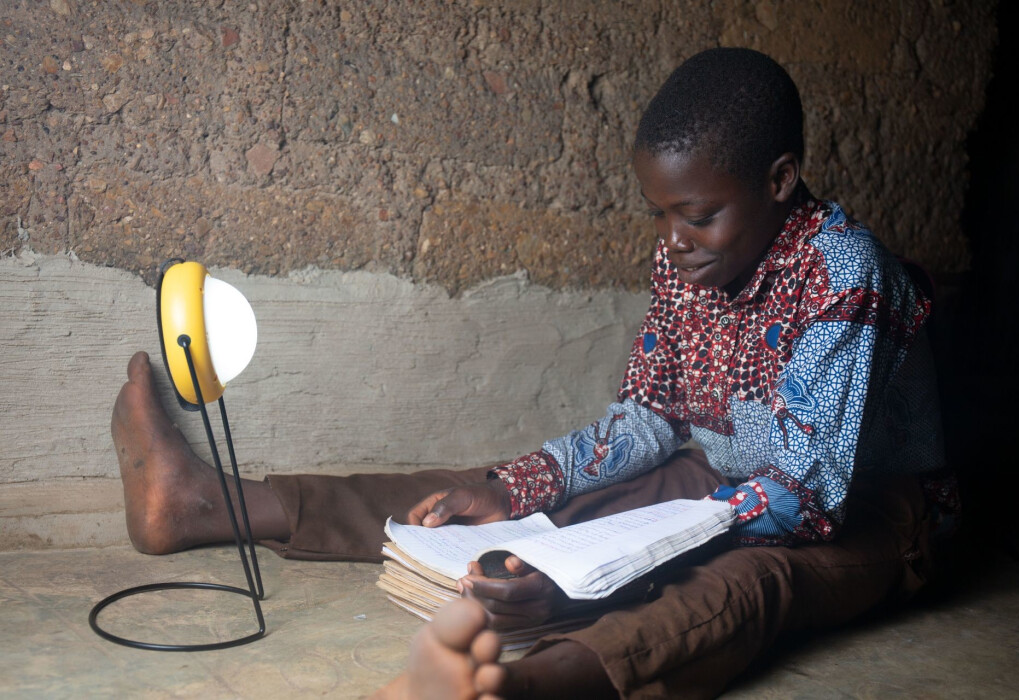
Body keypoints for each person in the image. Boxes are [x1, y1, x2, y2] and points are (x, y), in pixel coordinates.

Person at [111, 48, 959, 699]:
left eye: (696, 216)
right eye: (661, 215)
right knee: (516, 507)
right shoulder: (687, 257)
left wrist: (597, 586)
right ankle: (211, 505)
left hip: (870, 516)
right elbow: (646, 422)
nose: (672, 241)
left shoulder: (843, 273)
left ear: (780, 181)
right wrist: (517, 490)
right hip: (717, 479)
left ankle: (519, 686)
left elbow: (806, 499)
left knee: (742, 584)